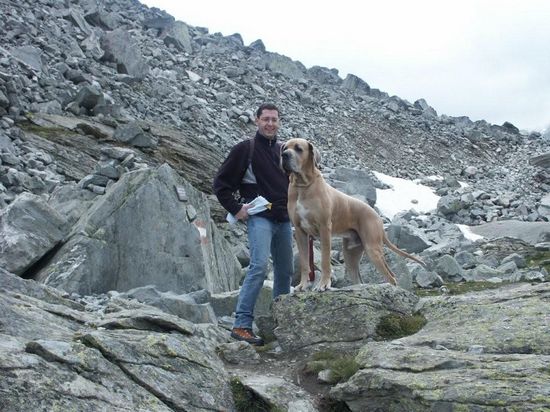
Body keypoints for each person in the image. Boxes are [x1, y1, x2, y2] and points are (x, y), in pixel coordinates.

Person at [213, 103, 293, 346]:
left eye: (274, 119)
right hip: (260, 217)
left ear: (279, 122)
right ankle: (241, 325)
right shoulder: (244, 149)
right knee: (259, 266)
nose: (270, 124)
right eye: (265, 119)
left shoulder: (284, 151)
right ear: (256, 120)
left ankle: (282, 323)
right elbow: (221, 184)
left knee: (285, 271)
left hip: (284, 219)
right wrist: (237, 209)